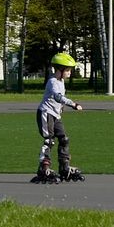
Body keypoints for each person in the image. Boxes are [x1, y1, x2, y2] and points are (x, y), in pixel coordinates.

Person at [32, 52, 85, 182]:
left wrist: (61, 109)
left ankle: (64, 167)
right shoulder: (53, 81)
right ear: (59, 70)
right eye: (67, 70)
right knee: (49, 140)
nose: (69, 73)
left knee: (64, 139)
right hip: (46, 113)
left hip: (56, 115)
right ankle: (44, 168)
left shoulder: (61, 82)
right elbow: (58, 97)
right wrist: (73, 104)